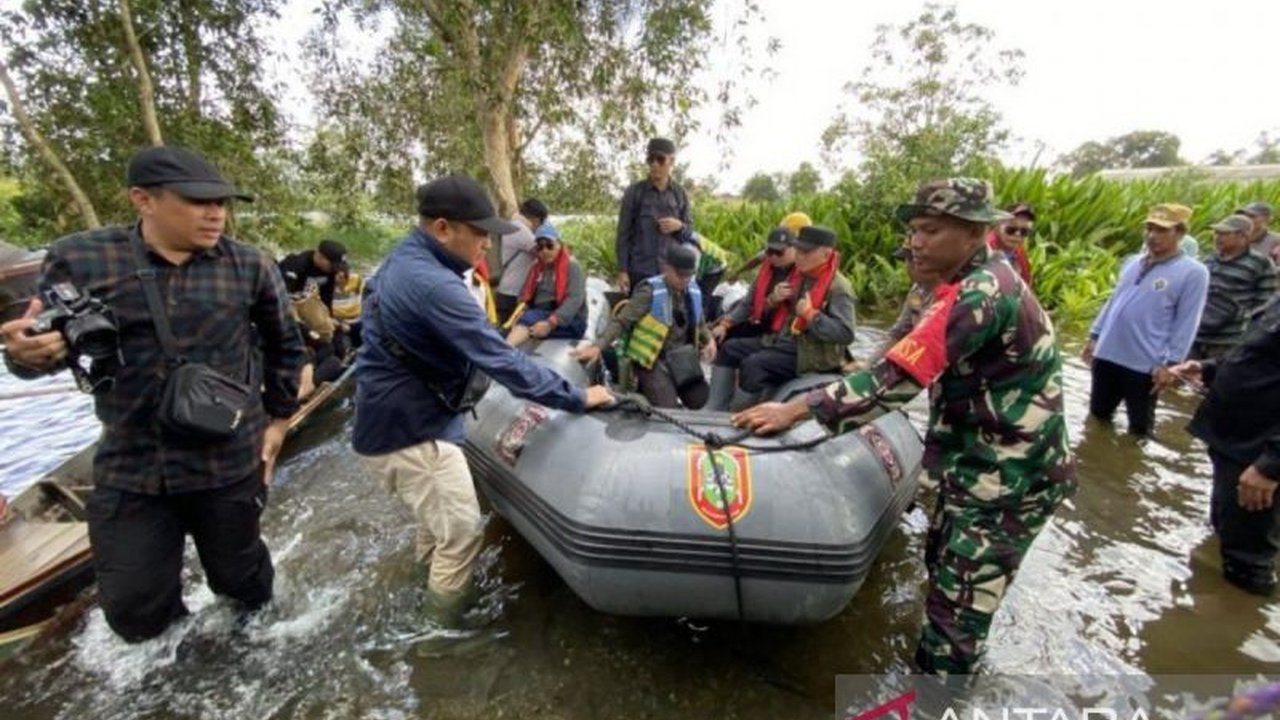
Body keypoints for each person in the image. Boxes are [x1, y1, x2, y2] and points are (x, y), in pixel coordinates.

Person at [732, 178, 1076, 676]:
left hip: (1009, 479)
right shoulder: (960, 285)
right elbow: (900, 349)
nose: (916, 242)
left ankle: (941, 697)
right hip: (977, 467)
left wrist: (795, 409)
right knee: (943, 579)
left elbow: (897, 380)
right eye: (914, 230)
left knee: (952, 630)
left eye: (930, 230)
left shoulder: (980, 292)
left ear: (975, 231)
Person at [0, 146, 305, 642]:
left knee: (243, 583)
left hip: (226, 459)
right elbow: (40, 346)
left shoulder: (249, 266)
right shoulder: (81, 259)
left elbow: (284, 345)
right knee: (135, 612)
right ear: (142, 200)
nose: (215, 215)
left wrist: (277, 423)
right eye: (197, 202)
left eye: (223, 204)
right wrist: (25, 356)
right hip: (132, 463)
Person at [352, 174, 612, 626]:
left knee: (436, 528)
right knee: (463, 535)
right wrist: (574, 396)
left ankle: (421, 593)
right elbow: (502, 362)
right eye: (479, 233)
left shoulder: (402, 260)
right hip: (412, 433)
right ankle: (436, 636)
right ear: (442, 228)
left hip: (389, 422)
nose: (487, 246)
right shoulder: (436, 285)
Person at [1170, 294, 1280, 595]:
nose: (1274, 252)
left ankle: (1237, 624)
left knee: (1248, 559)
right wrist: (1208, 368)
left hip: (1259, 454)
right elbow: (1257, 355)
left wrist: (1272, 466)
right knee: (1226, 528)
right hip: (1236, 442)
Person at [1082, 203, 1209, 437]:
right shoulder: (1133, 262)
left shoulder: (1194, 272)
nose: (1152, 236)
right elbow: (1113, 301)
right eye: (1149, 228)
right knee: (1097, 417)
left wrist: (1171, 364)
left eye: (1162, 230)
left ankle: (1130, 469)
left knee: (1139, 427)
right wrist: (1094, 336)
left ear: (1180, 233)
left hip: (1145, 365)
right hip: (1108, 354)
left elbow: (1188, 321)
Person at [705, 225, 855, 412]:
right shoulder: (800, 275)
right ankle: (715, 407)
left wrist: (811, 315)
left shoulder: (838, 288)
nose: (799, 255)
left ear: (825, 254)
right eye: (798, 249)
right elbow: (752, 306)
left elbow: (846, 333)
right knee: (731, 349)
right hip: (784, 341)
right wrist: (772, 300)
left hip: (811, 354)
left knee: (754, 365)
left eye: (805, 251)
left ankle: (741, 413)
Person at [572, 242, 715, 409]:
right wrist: (597, 347)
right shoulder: (649, 292)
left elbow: (700, 322)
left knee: (699, 399)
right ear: (666, 268)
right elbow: (621, 321)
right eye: (680, 275)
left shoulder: (693, 290)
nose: (684, 281)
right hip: (652, 361)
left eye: (688, 276)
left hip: (681, 358)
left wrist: (710, 340)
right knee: (666, 408)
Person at [1191, 214, 1277, 360]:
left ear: (1243, 236)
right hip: (1198, 334)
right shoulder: (1209, 260)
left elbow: (1265, 303)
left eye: (1224, 234)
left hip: (1229, 340)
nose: (1218, 238)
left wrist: (1245, 323)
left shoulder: (1260, 263)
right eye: (1216, 233)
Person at [615, 137, 694, 295]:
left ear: (671, 161)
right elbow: (623, 234)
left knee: (669, 318)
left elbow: (690, 231)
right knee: (639, 317)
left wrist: (679, 226)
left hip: (670, 272)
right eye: (650, 159)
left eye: (660, 159)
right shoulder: (635, 192)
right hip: (640, 271)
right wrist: (623, 270)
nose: (654, 164)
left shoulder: (679, 194)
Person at [505, 224, 588, 346]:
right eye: (540, 247)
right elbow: (527, 296)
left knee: (529, 318)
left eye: (550, 245)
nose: (545, 251)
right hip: (542, 314)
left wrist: (550, 323)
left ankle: (504, 351)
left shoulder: (572, 267)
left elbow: (575, 299)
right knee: (515, 324)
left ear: (559, 245)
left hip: (570, 320)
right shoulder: (537, 269)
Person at [710, 227, 797, 343]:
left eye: (779, 252)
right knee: (717, 335)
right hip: (757, 322)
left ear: (795, 249)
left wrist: (772, 302)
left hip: (779, 334)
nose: (774, 256)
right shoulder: (769, 268)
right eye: (770, 251)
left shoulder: (801, 274)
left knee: (732, 348)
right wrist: (725, 324)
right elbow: (748, 303)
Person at [278, 239, 347, 344]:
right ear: (320, 256)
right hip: (284, 301)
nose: (335, 270)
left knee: (328, 330)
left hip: (304, 300)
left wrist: (329, 317)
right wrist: (300, 324)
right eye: (333, 265)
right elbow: (282, 297)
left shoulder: (330, 271)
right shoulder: (296, 264)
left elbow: (326, 296)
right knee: (300, 330)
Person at [494, 198, 547, 322]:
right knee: (510, 334)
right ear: (536, 219)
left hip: (508, 292)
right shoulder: (520, 230)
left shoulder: (513, 225)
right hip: (512, 295)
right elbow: (544, 254)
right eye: (541, 222)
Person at [986, 202, 1035, 289]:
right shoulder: (984, 248)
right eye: (1011, 229)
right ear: (997, 226)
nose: (1017, 235)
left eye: (1024, 232)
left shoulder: (1019, 252)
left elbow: (1026, 286)